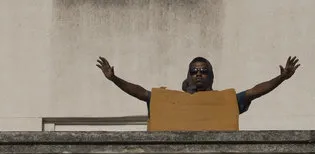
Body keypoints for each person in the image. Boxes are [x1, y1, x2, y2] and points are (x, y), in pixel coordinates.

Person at [96, 56, 300, 116]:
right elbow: (142, 94)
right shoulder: (174, 101)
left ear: (211, 76)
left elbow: (254, 92)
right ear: (188, 76)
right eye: (194, 71)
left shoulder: (224, 101)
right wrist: (115, 79)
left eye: (203, 71)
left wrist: (280, 78)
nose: (199, 74)